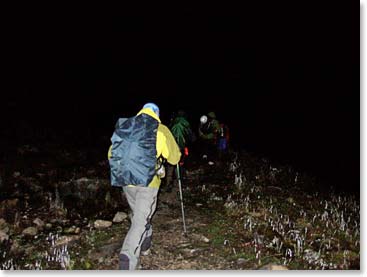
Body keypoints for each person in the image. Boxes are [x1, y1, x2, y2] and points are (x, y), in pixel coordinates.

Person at [108, 103, 181, 270]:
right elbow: (174, 158)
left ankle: (146, 244)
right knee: (140, 219)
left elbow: (111, 153)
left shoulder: (126, 126)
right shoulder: (160, 129)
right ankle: (128, 258)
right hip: (148, 182)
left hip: (126, 180)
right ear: (157, 114)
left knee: (140, 215)